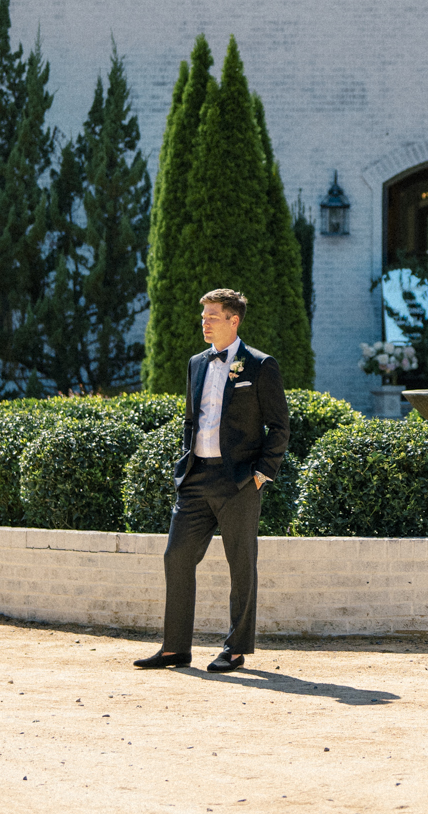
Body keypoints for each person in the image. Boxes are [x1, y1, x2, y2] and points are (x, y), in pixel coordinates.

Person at [135, 288, 289, 673]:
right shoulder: (196, 363)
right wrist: (186, 464)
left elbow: (280, 425)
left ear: (233, 320)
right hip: (197, 477)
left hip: (239, 482)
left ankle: (235, 649)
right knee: (177, 556)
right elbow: (192, 419)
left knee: (241, 564)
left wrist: (261, 474)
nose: (204, 323)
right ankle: (175, 648)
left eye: (212, 316)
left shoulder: (259, 365)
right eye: (203, 316)